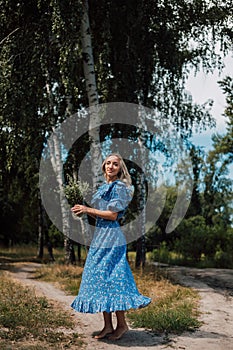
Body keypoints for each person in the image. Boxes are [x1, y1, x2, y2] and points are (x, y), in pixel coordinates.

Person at [71, 153, 151, 340]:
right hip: (100, 236)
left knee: (112, 279)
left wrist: (88, 209)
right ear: (104, 166)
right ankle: (107, 325)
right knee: (99, 279)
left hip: (112, 237)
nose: (111, 166)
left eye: (115, 164)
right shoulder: (103, 188)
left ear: (120, 168)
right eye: (108, 163)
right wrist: (82, 210)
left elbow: (113, 215)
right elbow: (98, 215)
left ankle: (122, 325)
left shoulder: (120, 187)